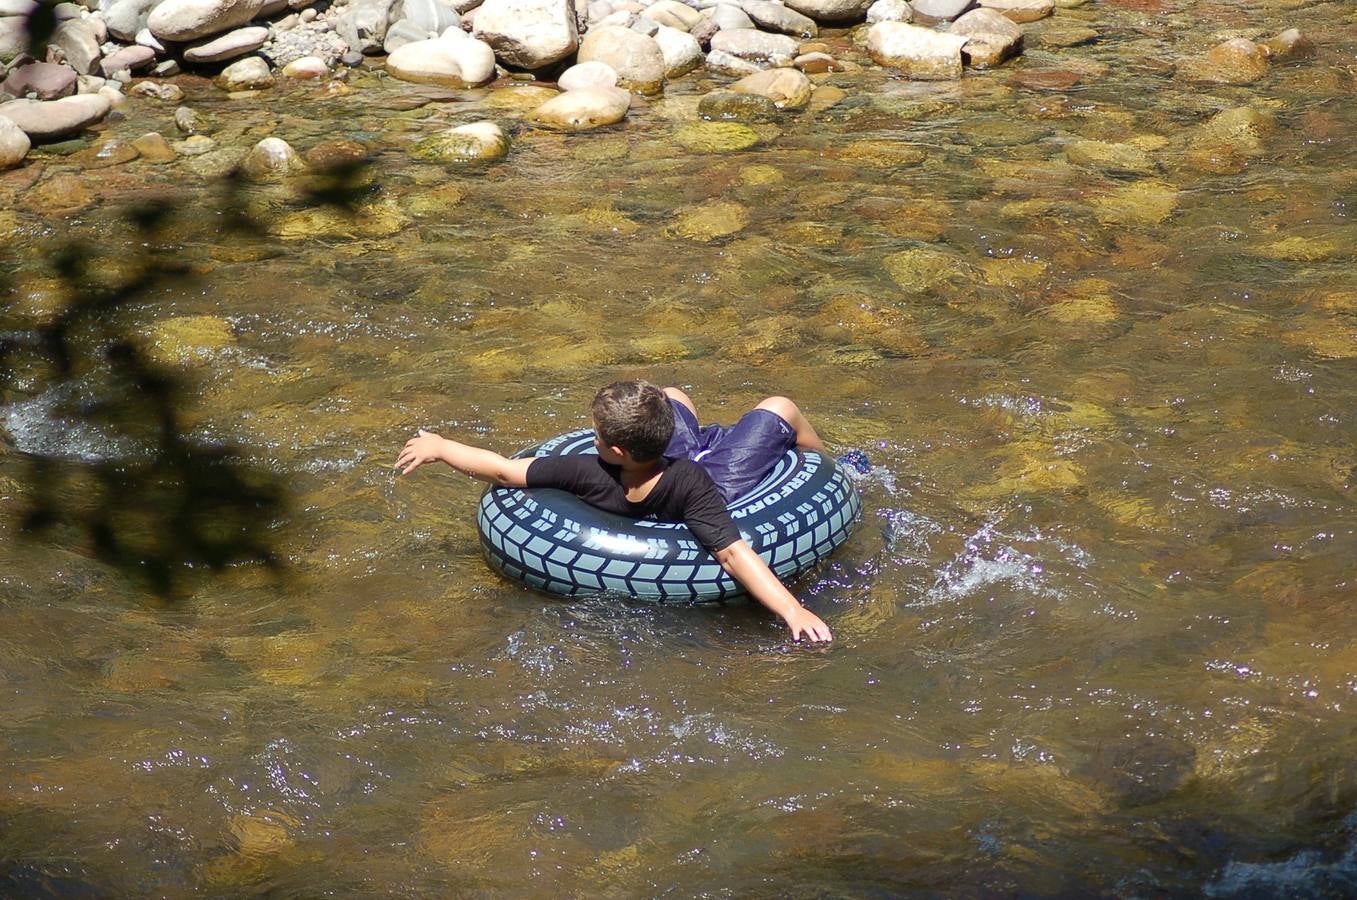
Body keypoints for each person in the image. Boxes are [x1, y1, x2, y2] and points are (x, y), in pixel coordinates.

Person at [395, 381, 834, 642]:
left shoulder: (588, 472)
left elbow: (505, 472)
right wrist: (793, 611)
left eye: (597, 435)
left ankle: (828, 469)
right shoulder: (686, 483)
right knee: (778, 406)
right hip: (697, 474)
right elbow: (731, 552)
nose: (592, 440)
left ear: (617, 450)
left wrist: (441, 448)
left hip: (697, 472)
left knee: (680, 395)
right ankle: (828, 459)